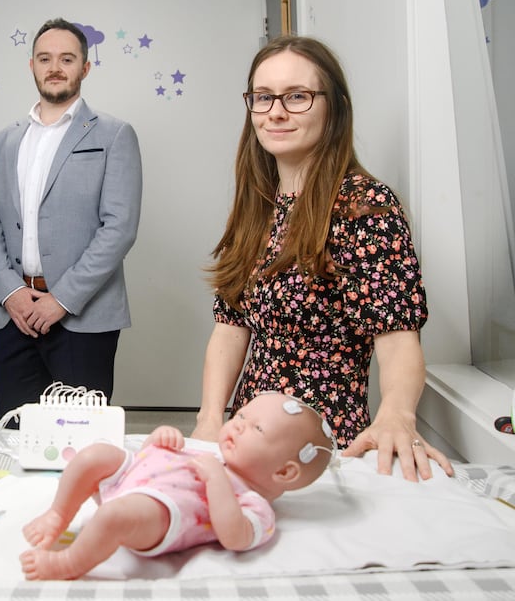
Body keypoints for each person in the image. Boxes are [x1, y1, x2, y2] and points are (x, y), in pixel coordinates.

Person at [191, 34, 453, 482]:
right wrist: (210, 418)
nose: (275, 111)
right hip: (248, 435)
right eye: (263, 97)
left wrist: (397, 415)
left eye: (297, 96)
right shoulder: (259, 203)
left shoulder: (364, 205)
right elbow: (230, 327)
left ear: (334, 107)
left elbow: (397, 339)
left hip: (320, 448)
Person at [0, 18, 143, 422]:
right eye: (46, 58)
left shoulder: (115, 135)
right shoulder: (6, 139)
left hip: (82, 318)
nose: (55, 67)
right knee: (13, 433)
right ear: (31, 65)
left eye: (67, 58)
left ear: (85, 67)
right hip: (14, 314)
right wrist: (9, 291)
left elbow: (119, 228)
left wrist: (61, 300)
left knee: (77, 441)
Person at [20, 392, 335, 580]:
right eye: (240, 414)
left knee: (112, 517)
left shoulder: (255, 505)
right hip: (133, 479)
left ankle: (67, 563)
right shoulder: (213, 457)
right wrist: (162, 439)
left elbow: (235, 536)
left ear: (284, 471)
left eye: (256, 428)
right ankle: (57, 515)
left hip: (157, 516)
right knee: (93, 455)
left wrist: (216, 481)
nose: (238, 423)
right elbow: (163, 459)